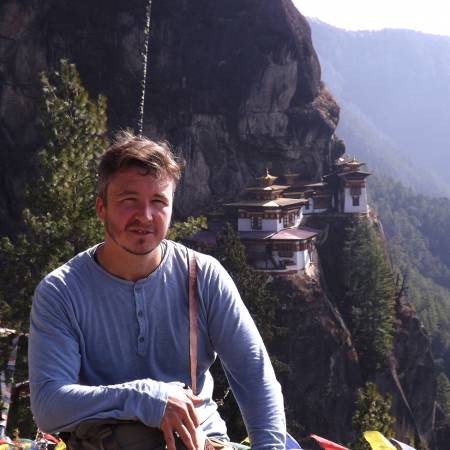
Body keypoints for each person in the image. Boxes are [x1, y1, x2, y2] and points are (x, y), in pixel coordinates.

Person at [28, 132, 286, 450]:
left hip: (202, 442)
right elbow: (49, 405)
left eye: (158, 202)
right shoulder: (62, 291)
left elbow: (256, 377)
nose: (145, 216)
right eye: (129, 201)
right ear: (101, 208)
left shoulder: (202, 276)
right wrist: (146, 398)